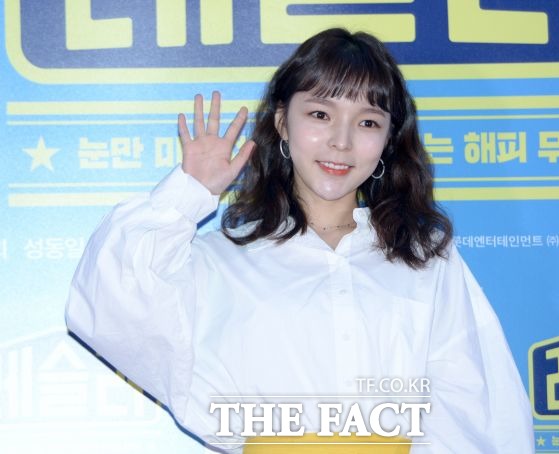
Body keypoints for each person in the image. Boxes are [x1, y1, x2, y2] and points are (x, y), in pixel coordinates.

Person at [66, 28, 534, 453]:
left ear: (389, 140)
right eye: (320, 114)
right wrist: (188, 193)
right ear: (282, 124)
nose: (341, 141)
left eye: (368, 122)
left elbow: (477, 407)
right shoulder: (222, 259)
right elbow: (108, 307)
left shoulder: (424, 258)